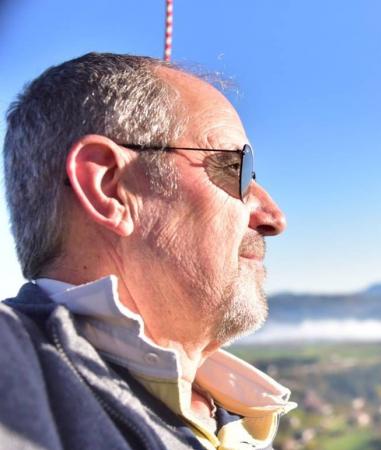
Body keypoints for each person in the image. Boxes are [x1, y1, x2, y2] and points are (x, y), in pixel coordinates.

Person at [0, 52, 296, 450]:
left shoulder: (233, 413)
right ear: (109, 187)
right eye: (235, 168)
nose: (274, 218)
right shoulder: (14, 368)